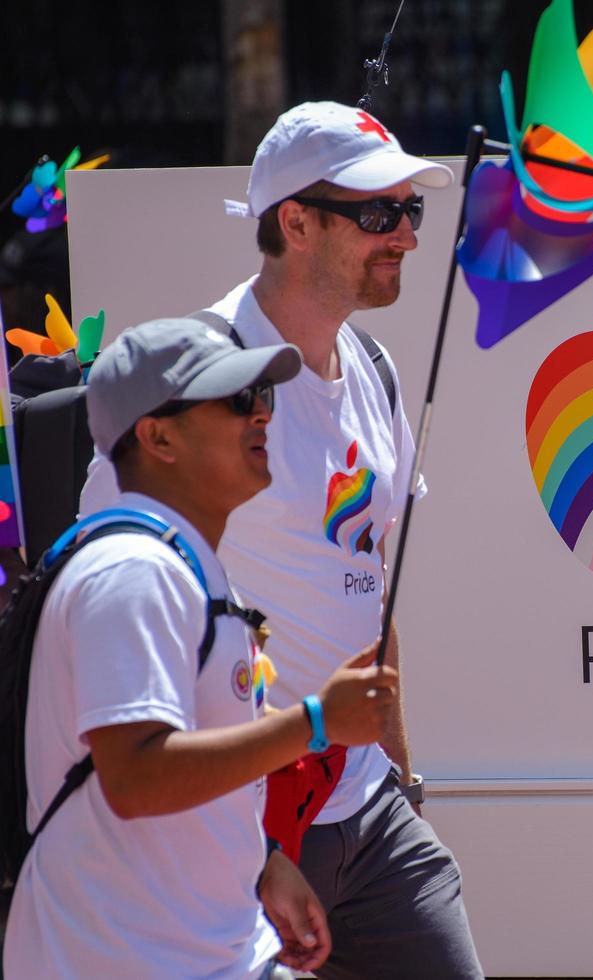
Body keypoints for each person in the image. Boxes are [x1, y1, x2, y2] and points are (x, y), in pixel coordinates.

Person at [82, 101, 482, 978]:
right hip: (236, 821)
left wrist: (403, 783)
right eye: (379, 213)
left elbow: (369, 592)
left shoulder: (374, 369)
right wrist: (254, 845)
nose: (406, 236)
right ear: (295, 222)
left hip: (367, 811)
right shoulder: (197, 377)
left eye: (411, 212)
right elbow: (105, 594)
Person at [5, 318, 401, 979]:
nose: (262, 417)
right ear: (157, 436)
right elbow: (136, 776)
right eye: (237, 400)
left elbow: (183, 765)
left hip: (205, 955)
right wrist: (316, 723)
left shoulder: (183, 565)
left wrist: (265, 858)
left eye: (265, 398)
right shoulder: (136, 572)